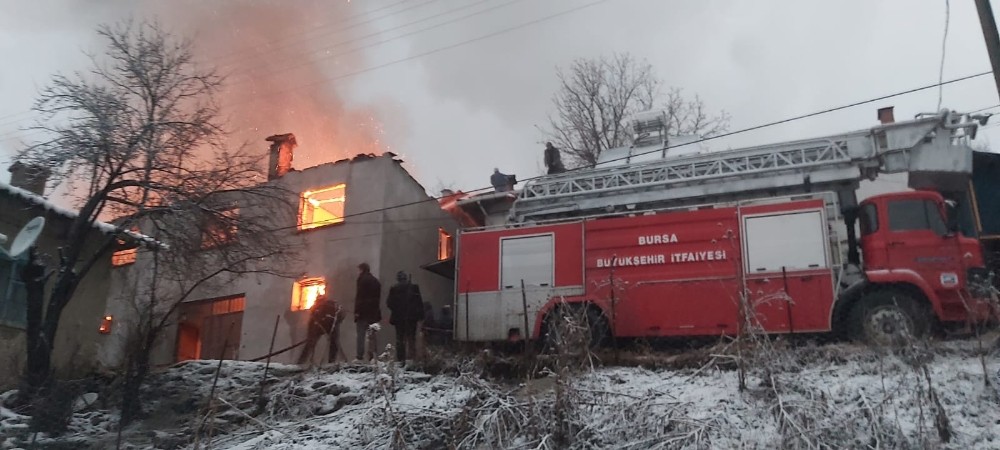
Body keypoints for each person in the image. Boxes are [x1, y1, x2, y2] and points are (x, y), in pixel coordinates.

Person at [386, 271, 423, 364]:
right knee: (411, 338)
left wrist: (397, 309)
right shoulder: (414, 288)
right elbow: (419, 303)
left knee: (400, 339)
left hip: (399, 318)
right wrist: (420, 316)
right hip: (411, 318)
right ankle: (411, 358)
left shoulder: (394, 289)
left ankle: (400, 359)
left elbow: (389, 303)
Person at [296, 294, 345, 365]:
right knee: (333, 342)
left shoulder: (318, 307)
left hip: (323, 325)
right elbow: (341, 315)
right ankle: (331, 361)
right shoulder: (330, 306)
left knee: (311, 344)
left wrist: (310, 336)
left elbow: (311, 323)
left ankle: (301, 362)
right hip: (325, 325)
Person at [354, 262, 382, 361]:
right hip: (373, 313)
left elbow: (359, 297)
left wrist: (357, 311)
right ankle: (372, 356)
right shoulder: (376, 281)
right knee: (372, 335)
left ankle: (359, 357)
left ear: (362, 269)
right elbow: (377, 299)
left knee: (361, 335)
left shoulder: (361, 280)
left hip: (363, 313)